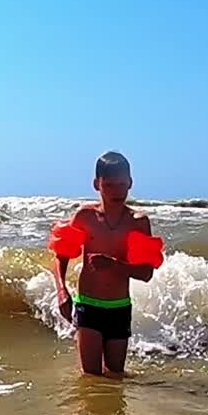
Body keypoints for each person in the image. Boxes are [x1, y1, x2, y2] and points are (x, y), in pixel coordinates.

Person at [52, 152, 156, 378]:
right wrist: (62, 291)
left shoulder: (138, 222)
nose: (117, 191)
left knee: (116, 376)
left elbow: (146, 273)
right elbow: (61, 255)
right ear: (96, 185)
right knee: (91, 378)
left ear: (130, 182)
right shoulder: (85, 217)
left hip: (119, 307)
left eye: (121, 184)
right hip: (88, 305)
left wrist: (116, 265)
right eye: (109, 185)